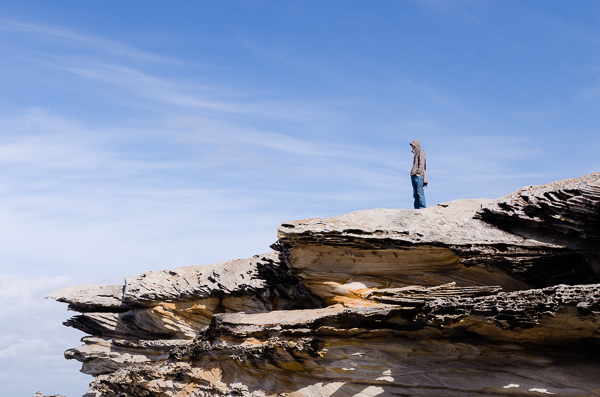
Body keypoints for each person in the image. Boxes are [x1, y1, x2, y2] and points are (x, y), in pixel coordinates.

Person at [409, 140, 426, 209]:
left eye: (412, 145)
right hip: (413, 175)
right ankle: (416, 208)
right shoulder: (415, 154)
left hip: (418, 175)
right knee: (415, 193)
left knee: (419, 192)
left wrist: (419, 173)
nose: (411, 146)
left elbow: (422, 163)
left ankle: (422, 207)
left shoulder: (421, 152)